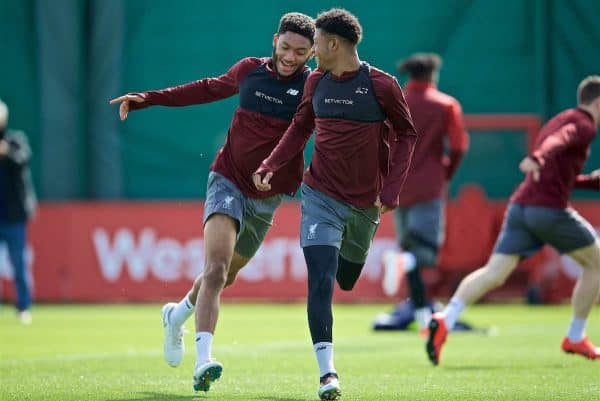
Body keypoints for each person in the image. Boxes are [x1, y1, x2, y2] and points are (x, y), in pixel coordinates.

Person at [110, 13, 315, 392]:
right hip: (228, 180)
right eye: (285, 47)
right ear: (274, 40)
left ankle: (176, 316)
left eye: (300, 51)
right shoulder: (250, 71)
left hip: (268, 198)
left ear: (313, 52)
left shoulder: (313, 88)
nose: (290, 56)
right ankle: (204, 360)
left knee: (225, 277)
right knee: (216, 269)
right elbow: (205, 88)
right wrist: (148, 99)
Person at [253, 8, 417, 400]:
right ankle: (327, 373)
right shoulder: (316, 82)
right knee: (321, 280)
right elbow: (301, 127)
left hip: (365, 204)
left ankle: (365, 253)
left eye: (316, 48)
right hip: (319, 196)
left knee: (346, 278)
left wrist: (391, 190)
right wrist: (271, 163)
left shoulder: (382, 85)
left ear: (332, 44)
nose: (309, 56)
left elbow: (408, 136)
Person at [426, 76, 600, 365]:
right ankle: (575, 335)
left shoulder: (561, 118)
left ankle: (446, 318)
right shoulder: (583, 124)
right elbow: (563, 139)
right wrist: (539, 156)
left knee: (494, 272)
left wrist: (587, 182)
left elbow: (556, 172)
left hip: (521, 206)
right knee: (596, 263)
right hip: (548, 209)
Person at [379, 53, 469, 335]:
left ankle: (420, 318)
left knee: (410, 252)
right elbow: (457, 147)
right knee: (426, 254)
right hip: (429, 186)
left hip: (397, 187)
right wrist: (446, 173)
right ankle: (407, 274)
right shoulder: (444, 104)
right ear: (432, 75)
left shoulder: (395, 103)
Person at [0, 98, 37, 324]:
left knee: (18, 263)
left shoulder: (15, 140)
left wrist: (6, 153)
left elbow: (22, 159)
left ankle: (23, 307)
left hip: (13, 216)